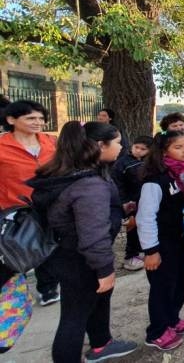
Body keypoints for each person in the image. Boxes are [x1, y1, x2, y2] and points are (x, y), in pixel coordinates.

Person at [28, 121, 137, 362]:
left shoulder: (73, 173)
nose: (121, 148)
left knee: (96, 301)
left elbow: (81, 215)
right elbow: (92, 235)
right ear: (100, 145)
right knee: (73, 317)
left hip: (67, 254)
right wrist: (104, 269)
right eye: (118, 142)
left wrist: (118, 209)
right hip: (80, 259)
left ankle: (101, 343)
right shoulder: (89, 185)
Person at [136, 131, 184, 351]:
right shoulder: (155, 181)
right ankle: (157, 331)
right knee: (163, 287)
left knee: (181, 282)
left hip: (182, 241)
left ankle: (173, 319)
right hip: (163, 245)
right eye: (177, 147)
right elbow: (145, 217)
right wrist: (151, 250)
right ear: (163, 152)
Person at [0, 100, 60, 306]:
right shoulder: (2, 147)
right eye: (31, 118)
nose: (38, 122)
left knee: (48, 245)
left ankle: (48, 287)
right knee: (18, 249)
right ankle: (14, 295)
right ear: (11, 120)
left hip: (50, 203)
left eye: (41, 118)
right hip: (15, 208)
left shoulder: (51, 142)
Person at [112, 135, 153, 271]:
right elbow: (118, 184)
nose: (139, 151)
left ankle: (142, 251)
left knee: (145, 227)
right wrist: (124, 201)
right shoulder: (123, 162)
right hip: (131, 203)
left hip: (146, 201)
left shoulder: (151, 161)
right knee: (132, 229)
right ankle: (130, 256)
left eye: (143, 149)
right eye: (136, 147)